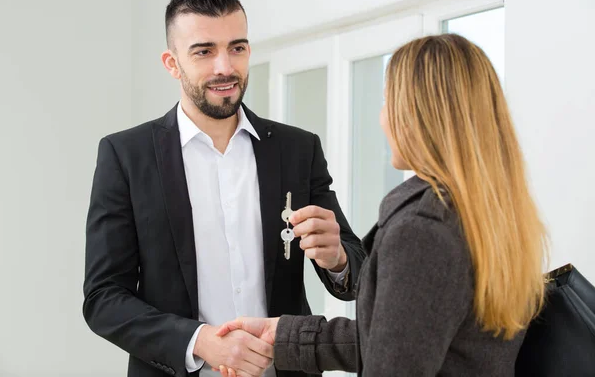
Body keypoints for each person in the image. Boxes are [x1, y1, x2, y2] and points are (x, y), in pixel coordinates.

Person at [215, 33, 549, 377]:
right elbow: (410, 334)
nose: (382, 119)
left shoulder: (421, 231)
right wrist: (284, 338)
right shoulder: (491, 212)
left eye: (387, 102)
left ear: (417, 114)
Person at [82, 0, 365, 376]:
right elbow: (103, 298)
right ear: (172, 63)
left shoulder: (299, 150)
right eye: (204, 51)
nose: (225, 67)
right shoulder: (125, 156)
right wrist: (198, 342)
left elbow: (356, 278)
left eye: (237, 48)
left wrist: (337, 259)